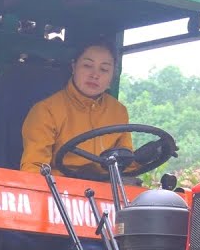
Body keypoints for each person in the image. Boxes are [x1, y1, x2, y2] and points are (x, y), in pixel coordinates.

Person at [19, 42, 133, 177]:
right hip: (59, 186)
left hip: (107, 186)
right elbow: (33, 169)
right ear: (74, 67)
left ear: (112, 76)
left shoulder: (118, 111)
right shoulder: (46, 110)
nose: (95, 75)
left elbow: (126, 162)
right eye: (87, 66)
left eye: (104, 69)